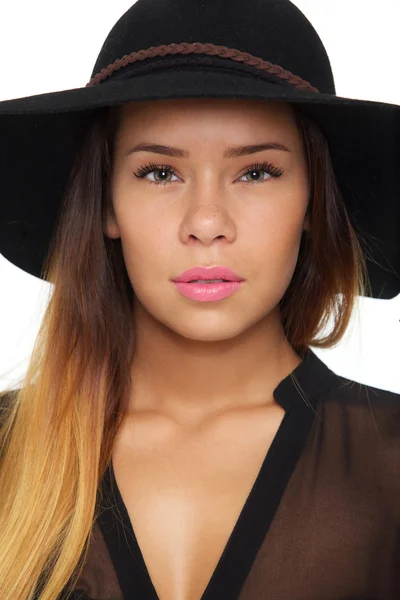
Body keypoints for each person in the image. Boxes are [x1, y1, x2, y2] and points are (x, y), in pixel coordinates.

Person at [0, 1, 399, 599]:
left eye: (257, 172)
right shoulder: (9, 454)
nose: (207, 222)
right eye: (160, 173)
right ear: (106, 204)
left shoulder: (391, 465)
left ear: (314, 201)